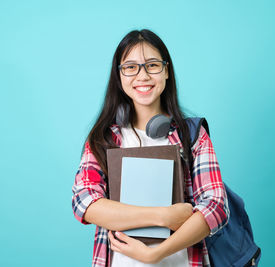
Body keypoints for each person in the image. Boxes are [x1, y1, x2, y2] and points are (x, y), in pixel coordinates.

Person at [72, 29, 229, 267]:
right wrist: (162, 216)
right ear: (119, 76)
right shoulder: (103, 138)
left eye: (152, 65)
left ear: (166, 71)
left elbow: (216, 206)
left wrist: (156, 253)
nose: (142, 76)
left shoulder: (192, 135)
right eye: (131, 67)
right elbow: (85, 202)